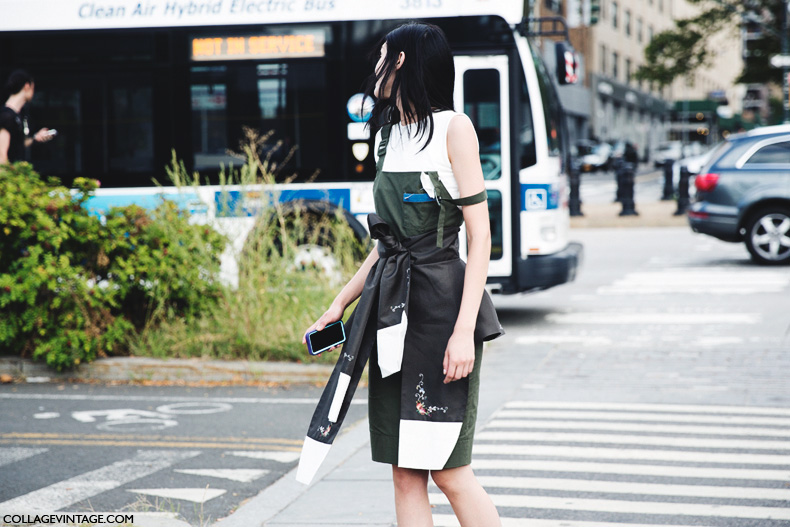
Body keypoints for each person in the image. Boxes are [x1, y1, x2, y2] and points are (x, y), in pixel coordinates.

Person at [296, 22, 504, 526]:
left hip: (439, 311)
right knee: (404, 471)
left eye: (383, 56)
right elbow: (385, 246)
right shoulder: (387, 136)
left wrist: (462, 333)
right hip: (390, 314)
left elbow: (481, 238)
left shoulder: (456, 128)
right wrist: (339, 303)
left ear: (405, 62)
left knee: (450, 470)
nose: (375, 67)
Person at [0, 69, 53, 164]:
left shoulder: (18, 116)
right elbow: (2, 155)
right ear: (27, 86)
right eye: (33, 88)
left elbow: (16, 145)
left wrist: (35, 138)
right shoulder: (6, 116)